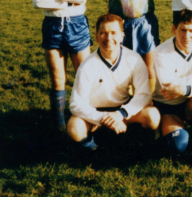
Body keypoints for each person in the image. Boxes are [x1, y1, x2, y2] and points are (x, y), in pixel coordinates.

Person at [67, 14, 160, 151]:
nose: (108, 38)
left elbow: (144, 94)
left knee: (153, 116)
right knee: (74, 127)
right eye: (103, 33)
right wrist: (103, 118)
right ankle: (96, 150)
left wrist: (121, 114)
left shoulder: (133, 59)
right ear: (97, 36)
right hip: (95, 114)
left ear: (122, 36)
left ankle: (135, 145)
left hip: (122, 111)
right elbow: (76, 104)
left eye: (113, 33)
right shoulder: (88, 65)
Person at [32, 0, 92, 132]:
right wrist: (68, 1)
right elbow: (38, 1)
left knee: (83, 75)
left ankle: (86, 118)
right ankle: (59, 125)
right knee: (57, 79)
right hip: (52, 25)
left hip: (76, 24)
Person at [152, 10, 192, 155]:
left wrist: (183, 89)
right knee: (177, 145)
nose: (187, 36)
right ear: (174, 29)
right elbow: (168, 88)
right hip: (168, 105)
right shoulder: (161, 52)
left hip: (190, 102)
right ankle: (167, 129)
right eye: (183, 30)